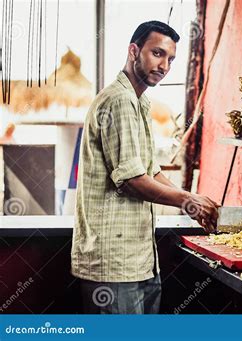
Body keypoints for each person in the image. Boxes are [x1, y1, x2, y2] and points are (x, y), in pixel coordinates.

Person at [71, 21, 220, 314]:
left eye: (171, 59)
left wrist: (191, 200)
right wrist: (188, 200)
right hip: (113, 264)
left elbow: (151, 172)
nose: (164, 65)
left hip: (139, 260)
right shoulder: (119, 101)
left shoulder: (140, 102)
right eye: (157, 53)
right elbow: (131, 181)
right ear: (133, 51)